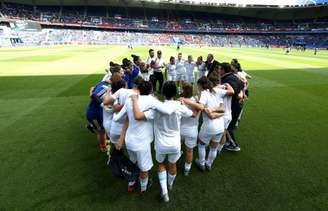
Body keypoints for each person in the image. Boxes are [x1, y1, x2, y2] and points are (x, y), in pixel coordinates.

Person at [132, 81, 193, 202]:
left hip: (161, 144)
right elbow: (193, 114)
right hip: (175, 144)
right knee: (173, 164)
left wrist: (134, 101)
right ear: (176, 93)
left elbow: (138, 116)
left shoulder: (156, 108)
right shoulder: (179, 106)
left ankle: (164, 191)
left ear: (163, 93)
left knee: (160, 165)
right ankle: (169, 185)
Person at [113, 80, 176, 195]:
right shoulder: (151, 100)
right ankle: (143, 188)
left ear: (139, 89)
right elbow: (167, 111)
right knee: (144, 168)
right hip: (141, 143)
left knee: (132, 162)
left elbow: (117, 118)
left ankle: (131, 184)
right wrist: (177, 103)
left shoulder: (129, 100)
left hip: (129, 140)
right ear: (151, 90)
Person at [181, 77, 228, 171]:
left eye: (198, 86)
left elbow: (201, 107)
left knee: (201, 145)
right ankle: (209, 164)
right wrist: (216, 112)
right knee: (213, 148)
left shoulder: (203, 93)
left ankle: (202, 163)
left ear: (201, 85)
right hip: (220, 126)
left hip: (209, 126)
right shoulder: (216, 92)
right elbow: (223, 110)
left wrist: (185, 100)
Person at [218, 63, 244, 152]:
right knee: (227, 126)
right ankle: (227, 142)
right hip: (234, 105)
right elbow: (242, 84)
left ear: (223, 70)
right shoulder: (232, 76)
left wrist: (238, 94)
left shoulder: (228, 78)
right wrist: (241, 93)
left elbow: (234, 90)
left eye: (219, 69)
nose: (218, 70)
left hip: (234, 106)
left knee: (228, 127)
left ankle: (234, 144)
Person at [179, 82, 200, 176]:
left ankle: (175, 159)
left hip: (180, 129)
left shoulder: (179, 101)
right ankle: (187, 169)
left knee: (179, 145)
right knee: (190, 150)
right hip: (192, 130)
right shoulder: (197, 101)